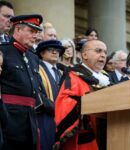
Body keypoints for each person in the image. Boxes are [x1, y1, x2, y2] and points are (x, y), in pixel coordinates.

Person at [0, 14, 53, 150]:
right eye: (31, 31)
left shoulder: (33, 57)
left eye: (37, 32)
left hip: (31, 119)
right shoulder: (3, 51)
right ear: (17, 29)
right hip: (8, 119)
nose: (35, 36)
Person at [54, 39, 110, 150]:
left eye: (105, 52)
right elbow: (64, 104)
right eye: (98, 51)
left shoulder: (107, 79)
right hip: (86, 138)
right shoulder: (74, 76)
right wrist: (82, 105)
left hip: (110, 134)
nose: (103, 55)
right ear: (84, 55)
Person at [36, 40, 65, 150]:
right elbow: (38, 94)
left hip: (61, 119)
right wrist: (57, 109)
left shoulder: (61, 72)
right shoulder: (37, 70)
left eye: (57, 50)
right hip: (45, 117)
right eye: (50, 50)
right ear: (42, 53)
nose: (55, 52)